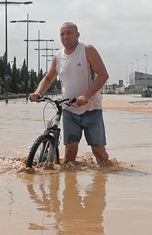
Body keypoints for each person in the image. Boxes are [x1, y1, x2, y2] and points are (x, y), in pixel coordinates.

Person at [28, 22, 110, 164]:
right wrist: (37, 92)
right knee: (70, 153)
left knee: (99, 154)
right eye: (62, 34)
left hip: (91, 109)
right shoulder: (58, 57)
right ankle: (70, 184)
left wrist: (86, 96)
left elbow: (103, 75)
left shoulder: (87, 50)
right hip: (69, 110)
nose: (65, 36)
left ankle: (102, 180)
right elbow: (48, 78)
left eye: (69, 33)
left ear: (77, 35)